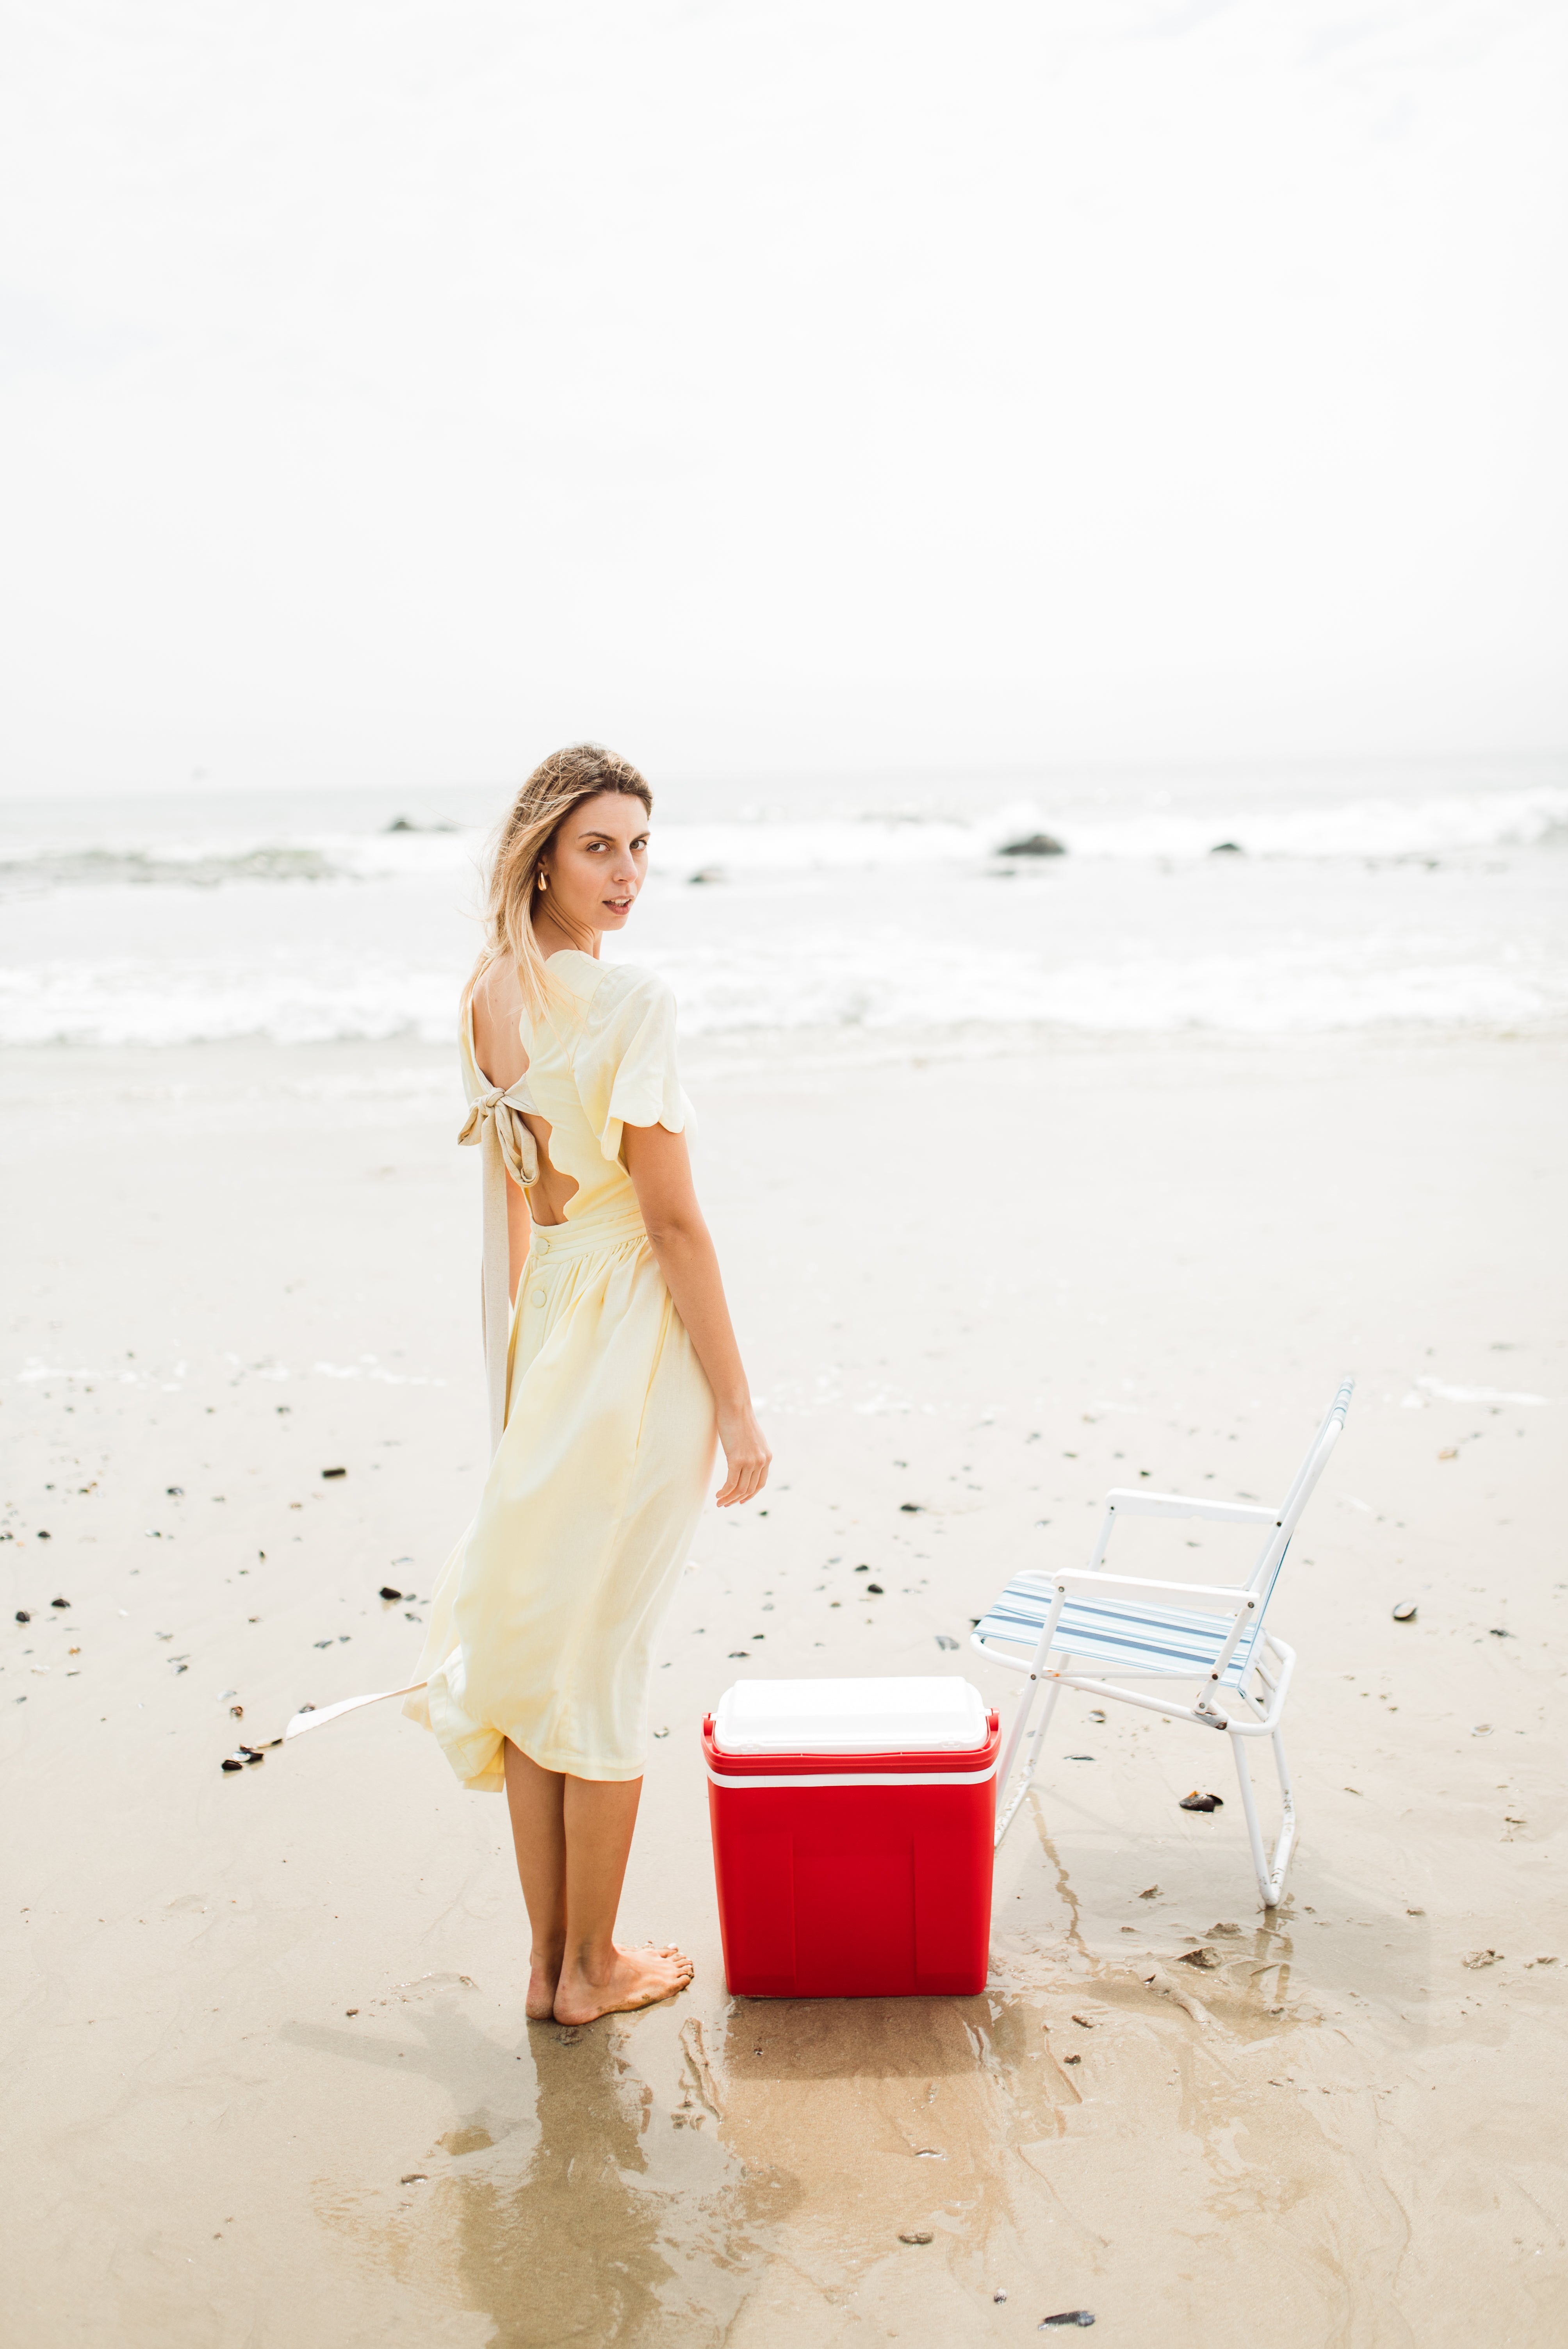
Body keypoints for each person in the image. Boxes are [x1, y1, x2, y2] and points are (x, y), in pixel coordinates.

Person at [404, 745, 770, 2025]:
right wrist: (735, 1403)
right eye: (600, 847)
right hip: (629, 1337)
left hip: (553, 1327)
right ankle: (592, 1969)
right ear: (542, 855)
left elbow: (511, 1213)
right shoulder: (631, 1006)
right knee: (600, 1657)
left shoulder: (484, 997)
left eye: (640, 848)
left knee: (542, 1653)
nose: (626, 876)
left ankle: (552, 1961)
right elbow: (675, 1225)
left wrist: (514, 1385)